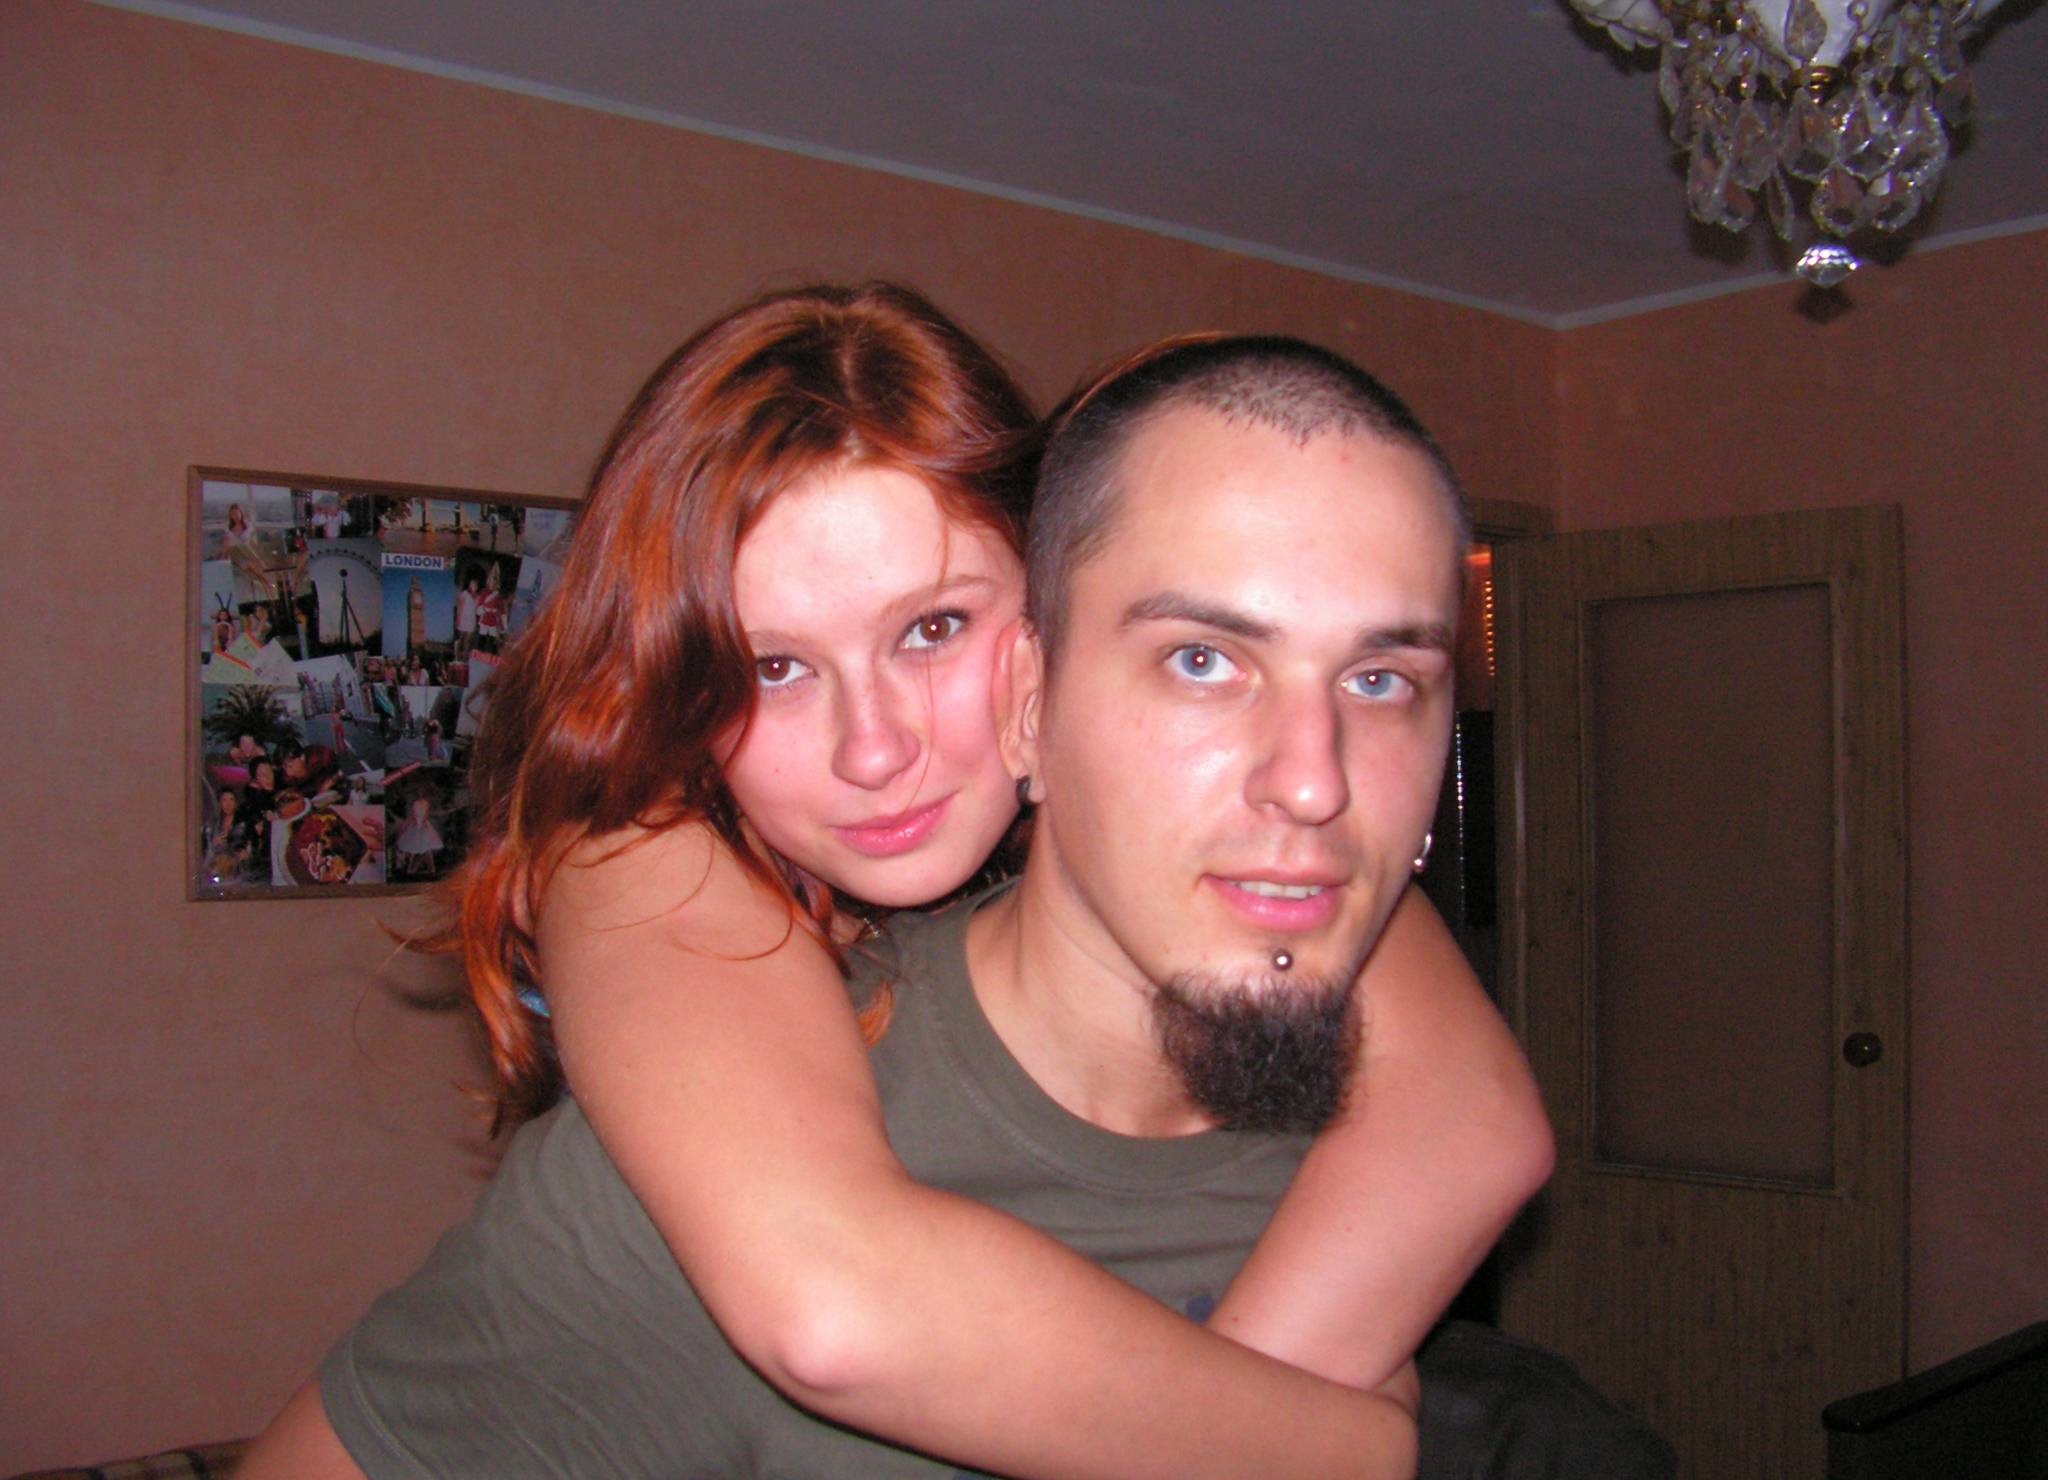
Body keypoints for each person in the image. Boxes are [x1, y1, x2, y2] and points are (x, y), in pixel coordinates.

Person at [241, 288, 1552, 1479]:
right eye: (771, 668)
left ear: (1047, 623)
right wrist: (1343, 1448)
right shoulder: (645, 854)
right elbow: (832, 1299)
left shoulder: (1261, 878)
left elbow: (1476, 1116)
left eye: (931, 629)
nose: (873, 752)